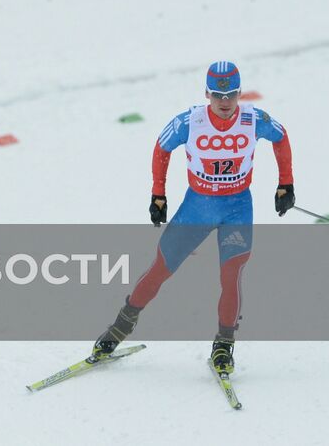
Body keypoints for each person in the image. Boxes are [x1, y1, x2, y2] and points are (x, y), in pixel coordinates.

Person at [91, 62, 295, 375]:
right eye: (217, 94)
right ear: (206, 93)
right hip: (198, 207)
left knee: (231, 275)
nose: (224, 102)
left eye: (230, 94)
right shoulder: (191, 121)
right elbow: (162, 147)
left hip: (237, 208)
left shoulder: (254, 119)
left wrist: (286, 183)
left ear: (239, 93)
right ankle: (119, 328)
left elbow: (281, 138)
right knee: (161, 269)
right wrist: (158, 195)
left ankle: (224, 346)